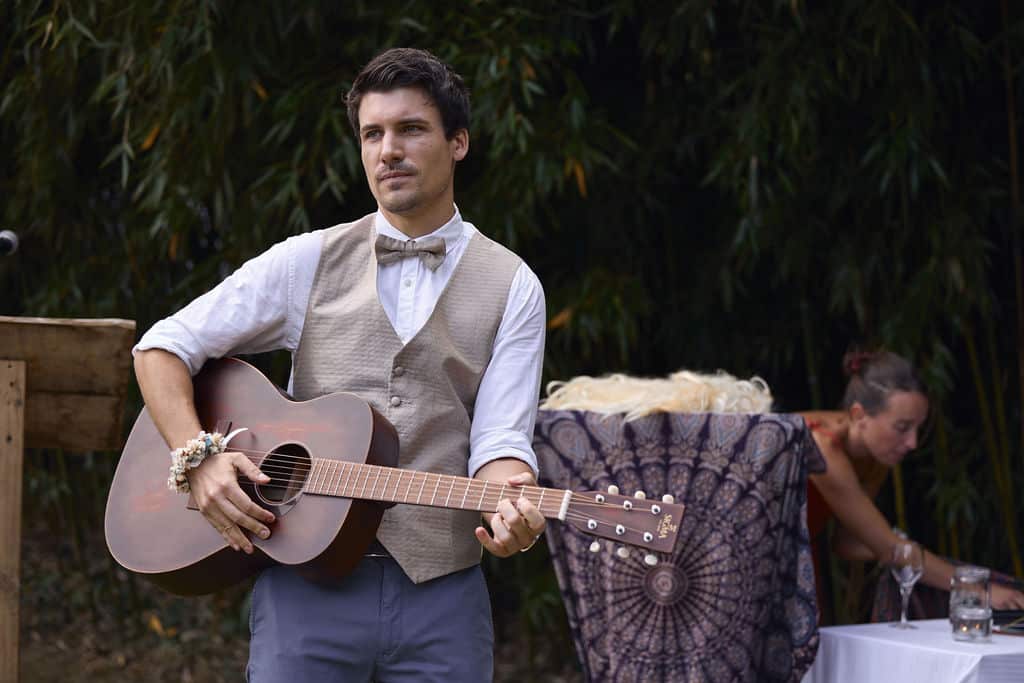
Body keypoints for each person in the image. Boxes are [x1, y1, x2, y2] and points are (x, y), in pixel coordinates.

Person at [132, 47, 547, 682]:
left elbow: (499, 438)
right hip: (306, 588)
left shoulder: (514, 284)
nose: (388, 151)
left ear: (458, 141)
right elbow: (162, 348)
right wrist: (200, 457)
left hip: (443, 599)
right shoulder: (306, 261)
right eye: (372, 134)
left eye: (410, 129)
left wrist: (512, 503)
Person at [800, 350, 1024, 616]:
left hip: (799, 557)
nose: (913, 443)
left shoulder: (876, 455)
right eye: (902, 427)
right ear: (859, 415)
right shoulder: (822, 447)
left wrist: (909, 552)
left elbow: (848, 542)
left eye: (918, 428)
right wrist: (976, 588)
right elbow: (888, 548)